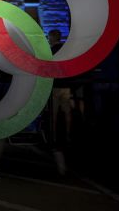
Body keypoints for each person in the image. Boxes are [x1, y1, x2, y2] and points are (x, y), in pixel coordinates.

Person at [48, 29, 74, 175]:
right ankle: (69, 133)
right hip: (66, 83)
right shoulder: (66, 50)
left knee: (55, 111)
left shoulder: (51, 51)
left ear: (52, 38)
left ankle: (54, 134)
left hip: (55, 85)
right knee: (67, 111)